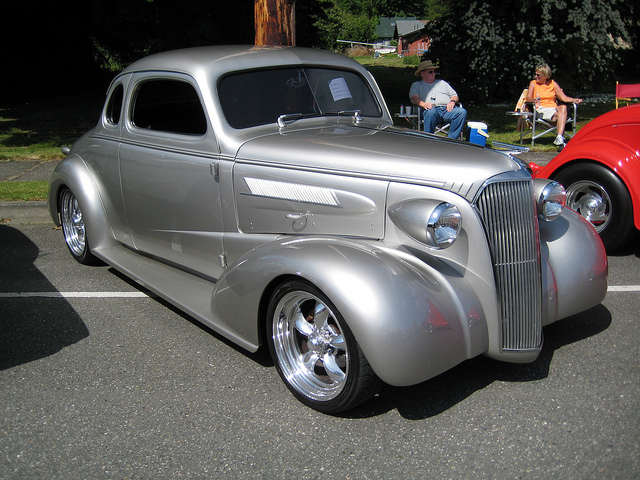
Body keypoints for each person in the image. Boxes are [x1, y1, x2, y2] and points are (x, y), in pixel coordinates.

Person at [526, 64, 583, 146]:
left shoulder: (553, 84)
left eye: (538, 75)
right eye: (535, 74)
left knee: (563, 107)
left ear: (545, 76)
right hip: (541, 109)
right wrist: (532, 100)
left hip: (554, 109)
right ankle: (560, 138)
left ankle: (559, 137)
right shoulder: (533, 83)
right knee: (561, 115)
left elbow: (563, 97)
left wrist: (574, 100)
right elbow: (528, 97)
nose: (535, 76)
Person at [409, 60, 467, 139]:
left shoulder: (442, 83)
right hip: (430, 109)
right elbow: (414, 98)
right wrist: (423, 104)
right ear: (422, 74)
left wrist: (452, 102)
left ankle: (451, 140)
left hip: (447, 109)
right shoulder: (417, 85)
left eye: (434, 71)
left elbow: (454, 95)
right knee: (431, 112)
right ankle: (428, 139)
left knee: (461, 112)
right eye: (430, 72)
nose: (434, 73)